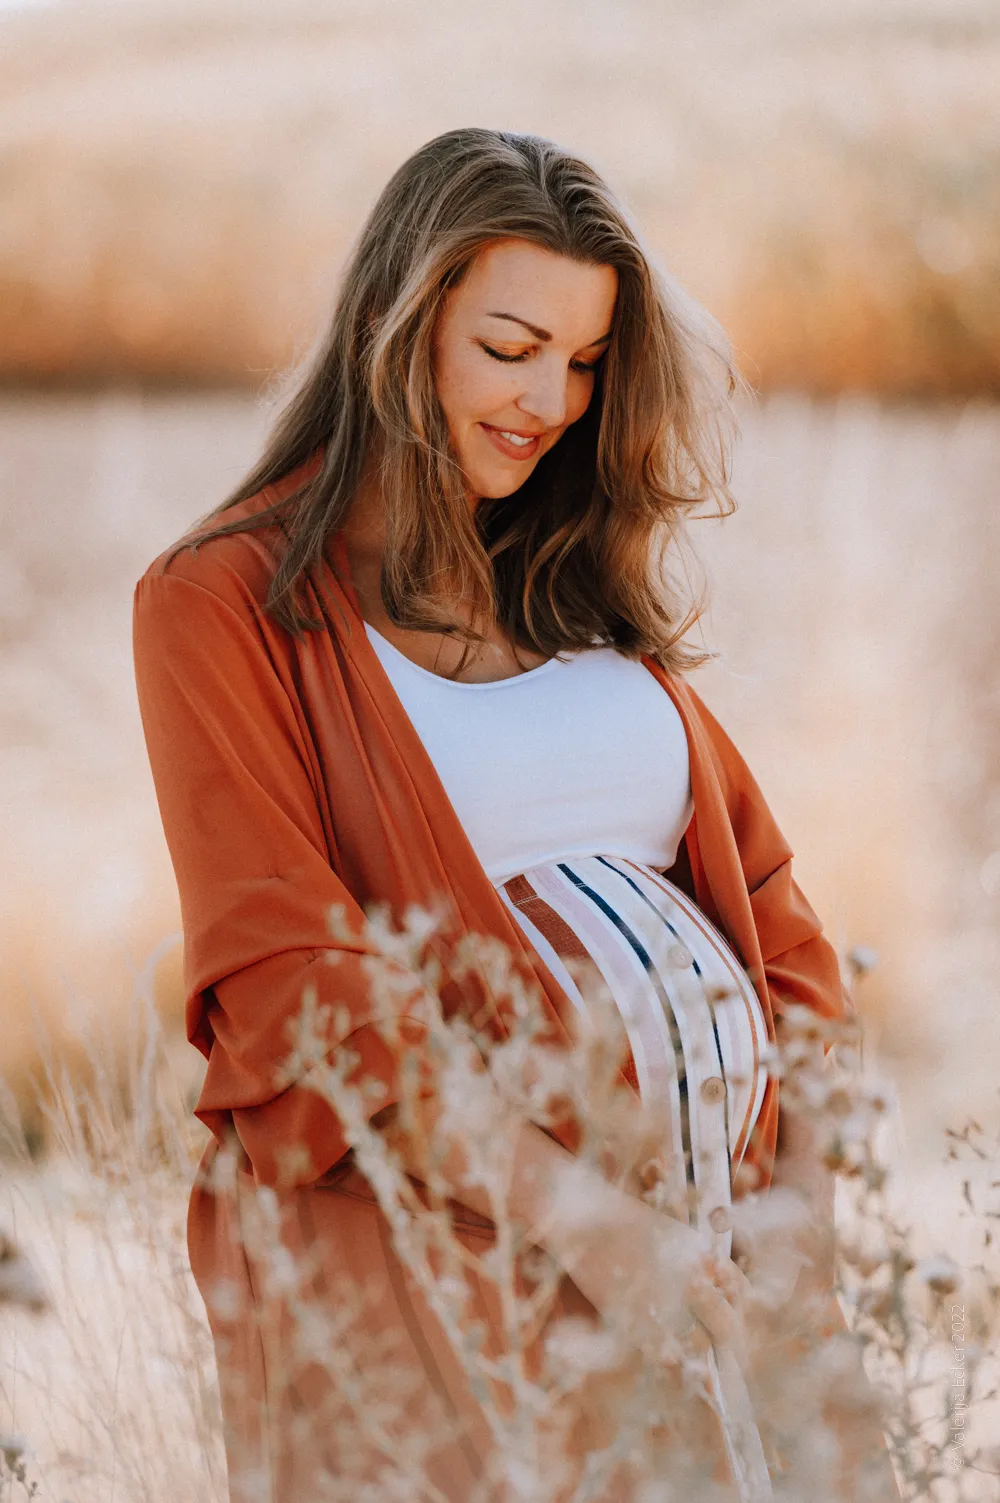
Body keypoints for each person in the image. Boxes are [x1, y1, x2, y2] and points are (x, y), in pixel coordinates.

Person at [132, 128, 898, 1501]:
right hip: (472, 1273)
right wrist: (602, 1230)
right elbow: (286, 986)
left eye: (587, 359)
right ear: (396, 323)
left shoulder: (572, 586)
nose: (551, 395)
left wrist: (803, 1228)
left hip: (726, 1278)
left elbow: (786, 941)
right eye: (510, 345)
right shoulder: (225, 605)